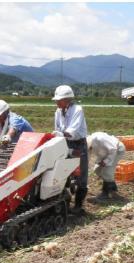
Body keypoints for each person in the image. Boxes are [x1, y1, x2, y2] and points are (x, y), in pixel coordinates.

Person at [52, 85, 88, 215]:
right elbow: (57, 129)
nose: (56, 102)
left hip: (78, 145)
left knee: (80, 175)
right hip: (65, 143)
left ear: (67, 99)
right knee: (63, 172)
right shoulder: (57, 112)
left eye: (59, 100)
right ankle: (64, 201)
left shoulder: (77, 109)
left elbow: (73, 130)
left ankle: (78, 206)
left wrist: (60, 134)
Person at [87, 132, 126, 202]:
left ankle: (105, 195)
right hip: (106, 154)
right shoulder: (88, 144)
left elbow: (113, 149)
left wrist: (105, 161)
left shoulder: (99, 138)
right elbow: (87, 157)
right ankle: (112, 190)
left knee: (107, 172)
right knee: (98, 170)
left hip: (117, 150)